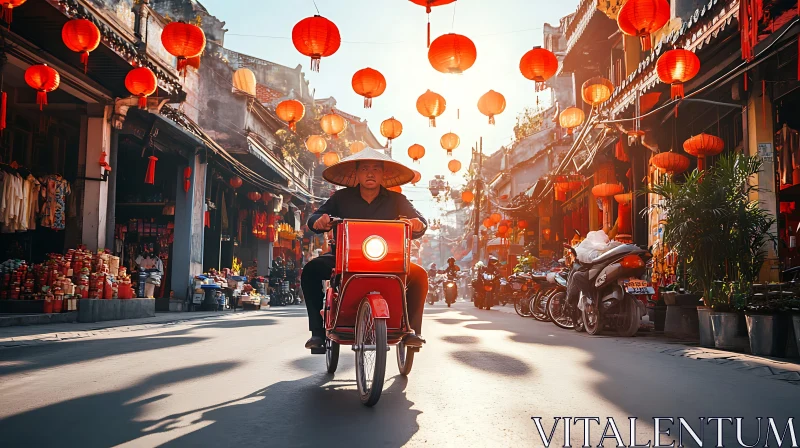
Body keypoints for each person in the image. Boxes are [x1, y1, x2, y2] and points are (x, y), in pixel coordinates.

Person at [301, 148, 429, 350]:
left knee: (420, 275)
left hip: (390, 261)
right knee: (310, 271)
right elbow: (315, 218)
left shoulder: (397, 200)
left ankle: (412, 331)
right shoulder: (340, 198)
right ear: (357, 174)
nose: (370, 173)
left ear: (383, 174)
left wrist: (418, 224)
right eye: (365, 169)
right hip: (344, 258)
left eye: (376, 169)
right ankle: (317, 333)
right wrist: (319, 222)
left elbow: (419, 220)